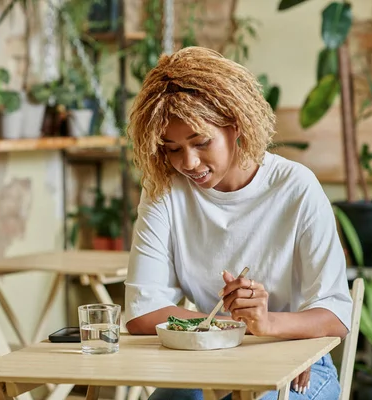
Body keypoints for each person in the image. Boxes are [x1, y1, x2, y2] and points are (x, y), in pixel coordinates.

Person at [123, 46, 353, 400]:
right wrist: (237, 328)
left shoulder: (295, 188)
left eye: (200, 142)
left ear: (236, 126)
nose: (188, 162)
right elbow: (143, 314)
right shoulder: (164, 190)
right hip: (204, 357)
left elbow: (335, 316)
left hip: (298, 365)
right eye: (171, 148)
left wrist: (273, 327)